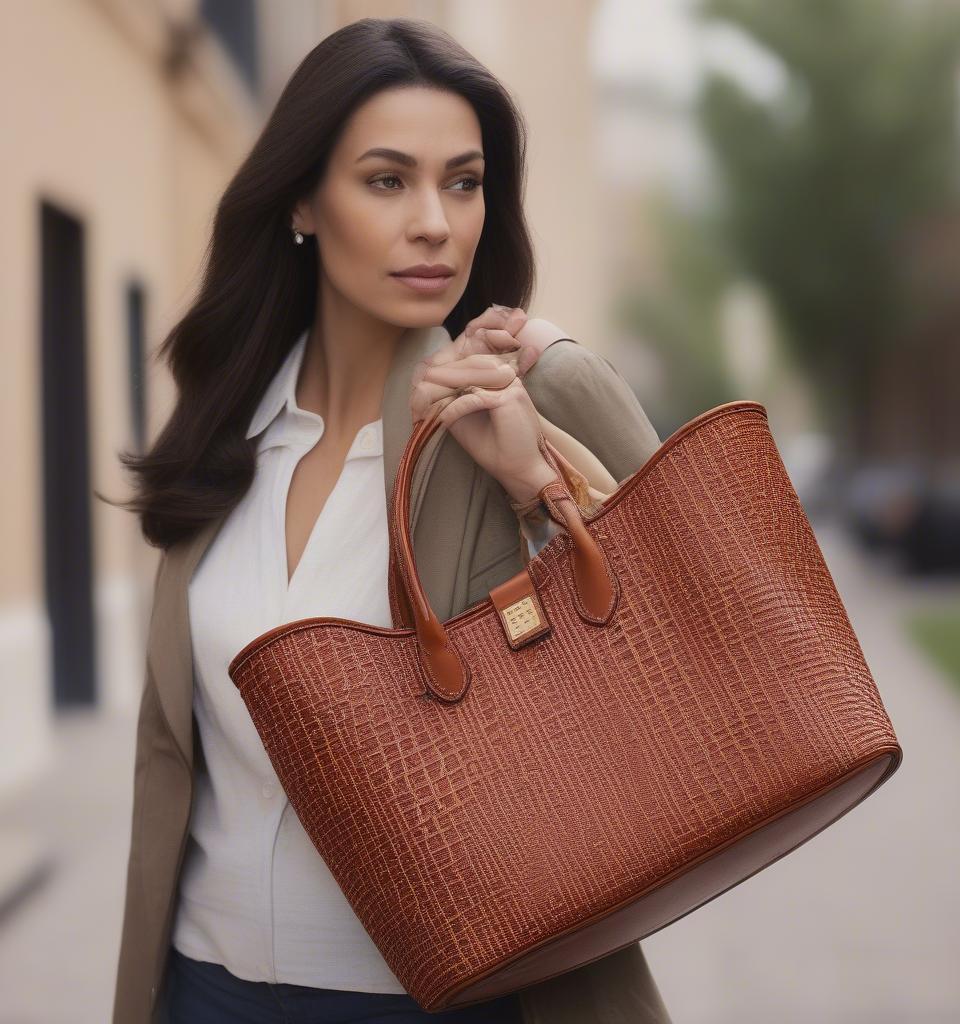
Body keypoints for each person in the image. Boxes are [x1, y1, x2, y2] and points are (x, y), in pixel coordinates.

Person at [108, 16, 672, 1024]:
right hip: (201, 987)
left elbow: (692, 607)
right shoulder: (230, 436)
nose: (436, 223)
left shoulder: (513, 411)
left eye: (463, 182)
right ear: (300, 202)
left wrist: (536, 468)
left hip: (441, 996)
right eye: (386, 180)